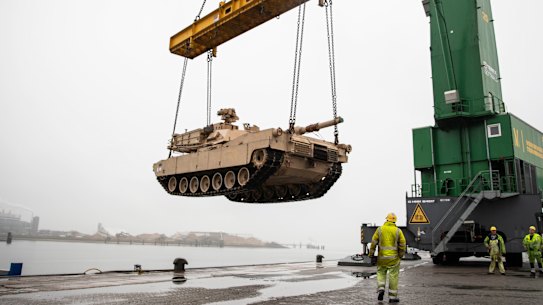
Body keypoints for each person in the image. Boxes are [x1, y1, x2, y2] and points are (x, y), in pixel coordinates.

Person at [368, 212, 406, 303]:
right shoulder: (398, 231)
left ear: (386, 219)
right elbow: (403, 244)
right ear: (395, 221)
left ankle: (381, 288)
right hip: (394, 259)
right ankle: (392, 297)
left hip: (382, 258)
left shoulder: (380, 230)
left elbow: (373, 242)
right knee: (393, 276)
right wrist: (400, 255)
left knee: (381, 273)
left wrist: (371, 254)